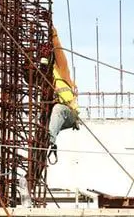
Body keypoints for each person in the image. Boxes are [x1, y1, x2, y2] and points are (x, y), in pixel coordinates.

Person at [47, 27, 79, 164]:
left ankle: (50, 139)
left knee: (58, 109)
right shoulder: (44, 79)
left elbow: (58, 50)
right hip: (54, 117)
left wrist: (53, 34)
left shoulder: (60, 69)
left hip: (69, 113)